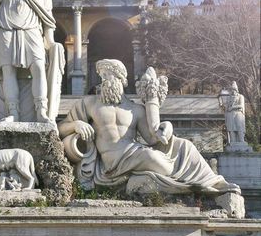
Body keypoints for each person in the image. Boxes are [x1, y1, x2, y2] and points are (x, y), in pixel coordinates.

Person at [58, 59, 240, 194]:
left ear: (122, 79)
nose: (105, 79)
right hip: (111, 162)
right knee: (151, 157)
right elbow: (60, 129)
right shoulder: (89, 103)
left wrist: (166, 127)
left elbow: (153, 138)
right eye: (103, 76)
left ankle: (213, 182)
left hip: (135, 153)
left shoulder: (136, 109)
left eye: (109, 74)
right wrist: (76, 124)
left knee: (185, 145)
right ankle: (195, 183)